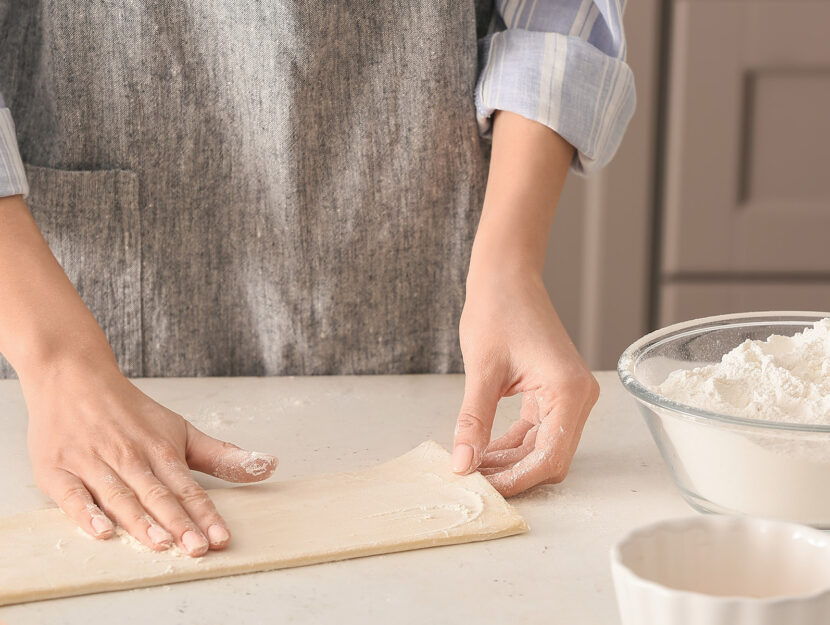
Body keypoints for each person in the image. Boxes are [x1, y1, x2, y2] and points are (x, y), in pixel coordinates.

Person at [0, 1, 634, 557]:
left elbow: (556, 14)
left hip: (409, 231)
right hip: (53, 290)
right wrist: (56, 359)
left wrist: (508, 266)